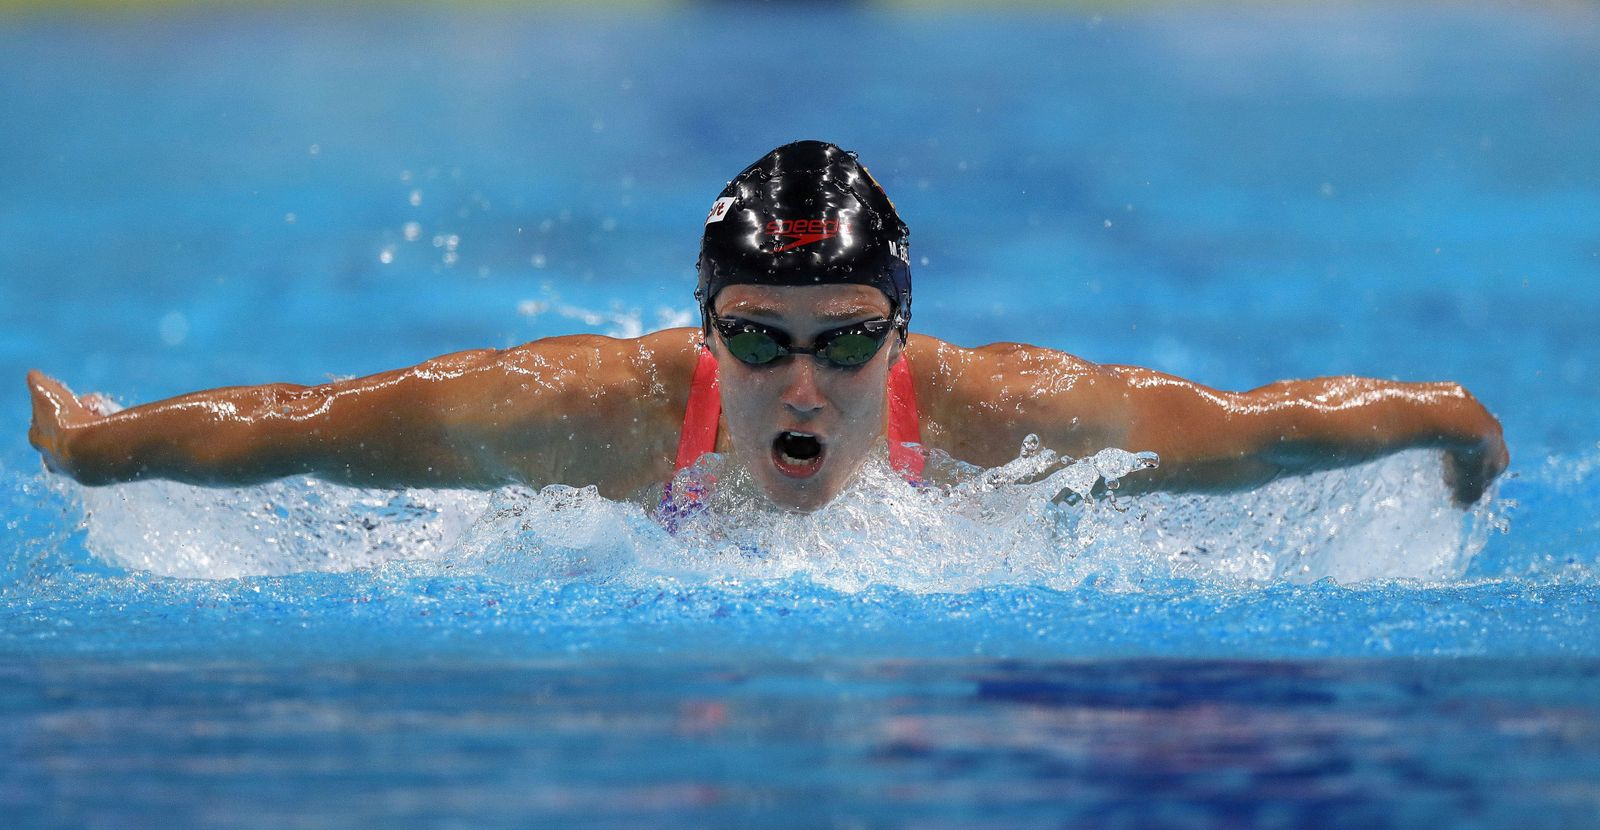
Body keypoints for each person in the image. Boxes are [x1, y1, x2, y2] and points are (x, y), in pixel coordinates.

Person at [27, 140, 1507, 514]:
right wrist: (102, 452)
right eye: (760, 338)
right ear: (704, 331)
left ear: (904, 341)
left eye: (849, 339)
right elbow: (311, 427)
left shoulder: (1007, 415)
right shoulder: (592, 406)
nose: (803, 380)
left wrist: (1444, 416)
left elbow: (1253, 431)